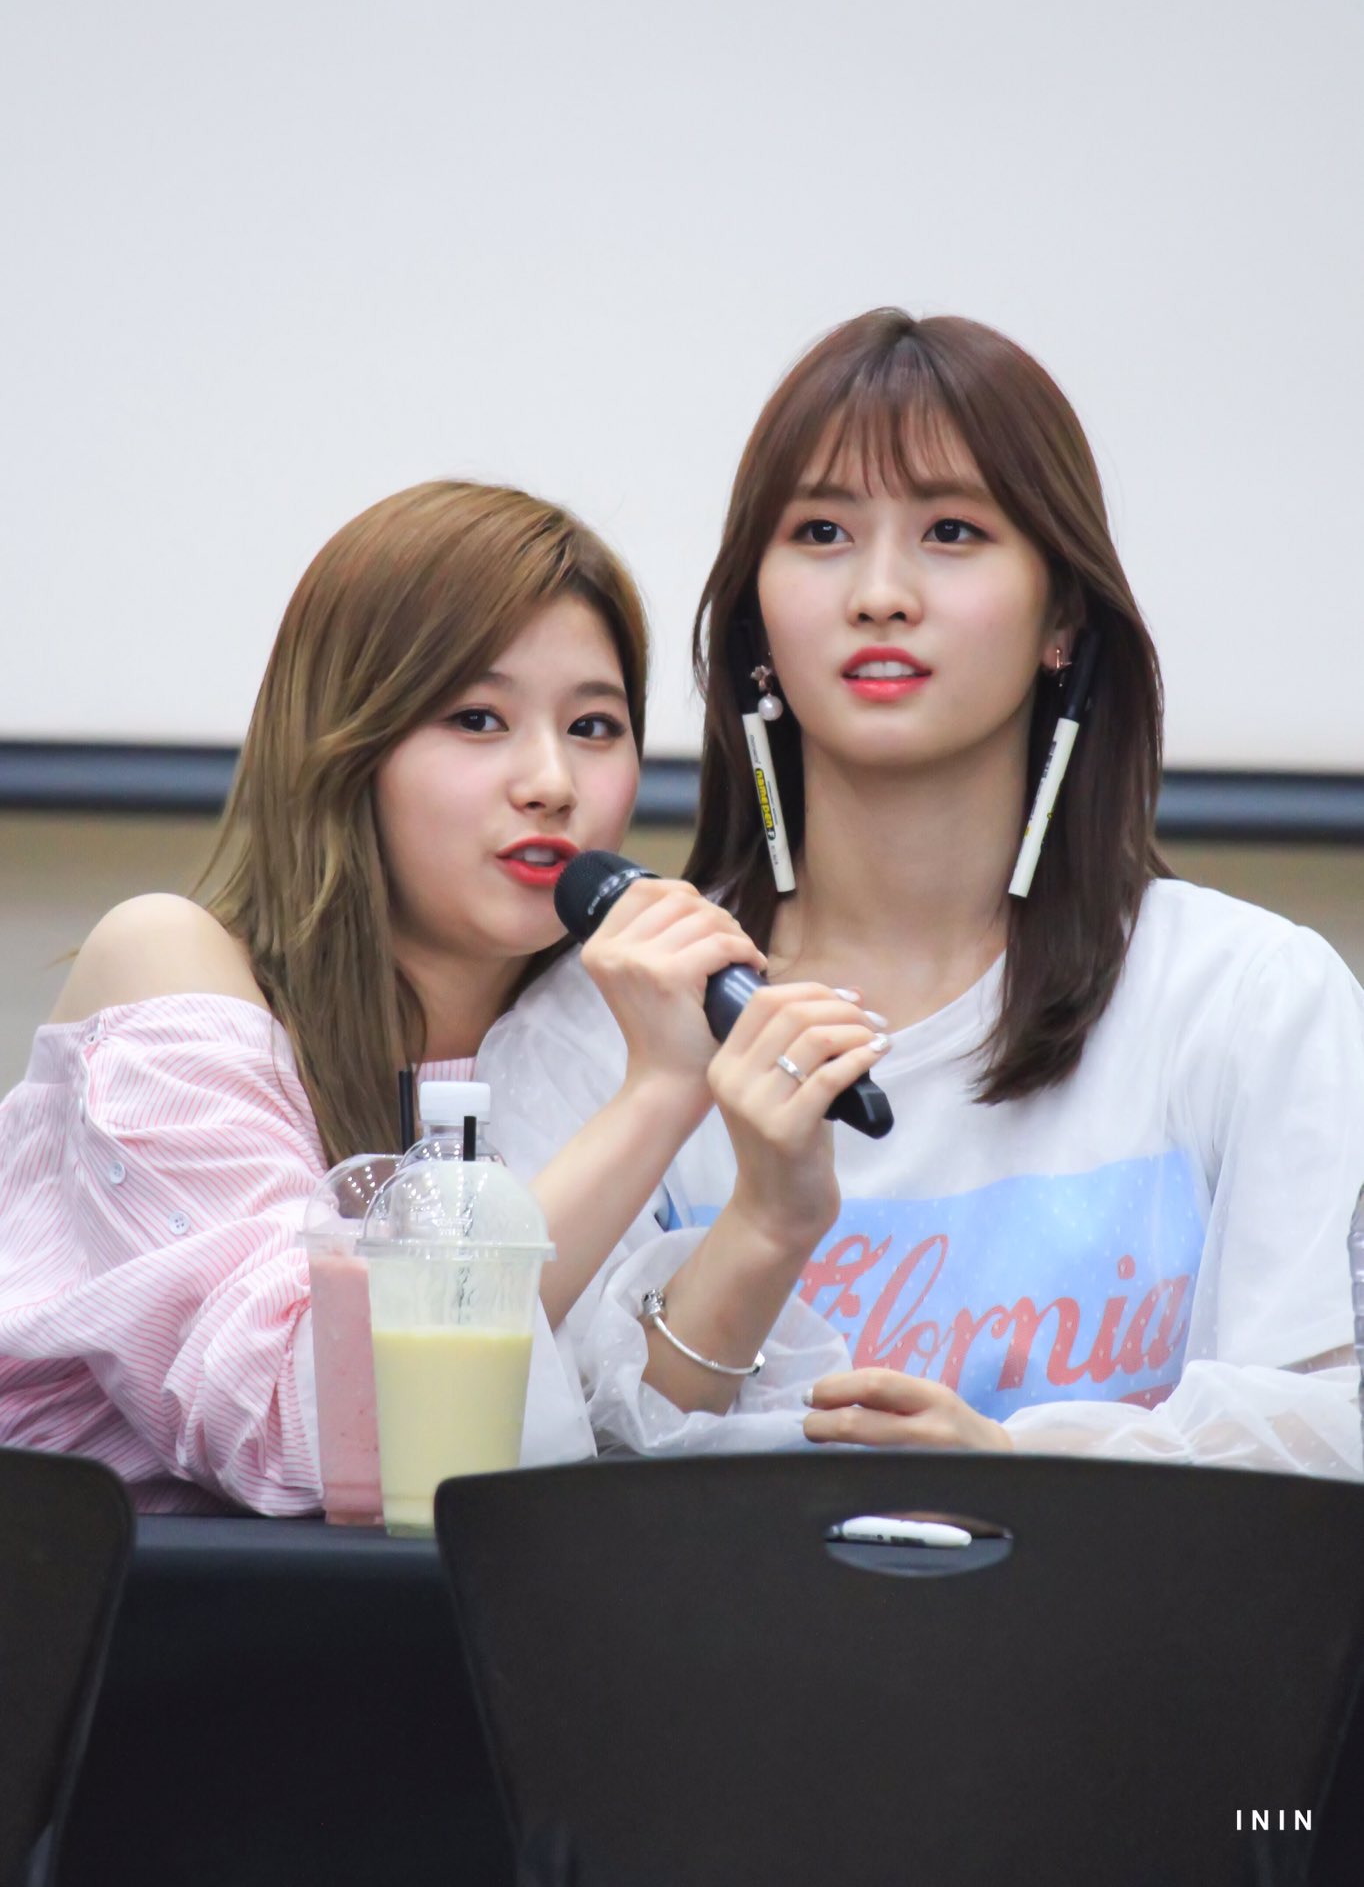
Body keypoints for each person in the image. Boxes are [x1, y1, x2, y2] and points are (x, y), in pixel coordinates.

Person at [483, 310, 1364, 1475]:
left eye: (951, 530)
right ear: (755, 624)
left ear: (1060, 616)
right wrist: (762, 1224)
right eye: (820, 532)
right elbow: (545, 1462)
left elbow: (1322, 1439)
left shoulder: (1246, 997)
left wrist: (1013, 1460)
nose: (880, 591)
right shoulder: (601, 1022)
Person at [0, 479, 771, 1510]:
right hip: (112, 1599)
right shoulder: (168, 964)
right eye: (477, 718)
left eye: (594, 724)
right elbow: (310, 1432)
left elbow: (623, 1444)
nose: (551, 781)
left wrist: (772, 1208)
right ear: (345, 744)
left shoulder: (597, 1027)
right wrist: (657, 1095)